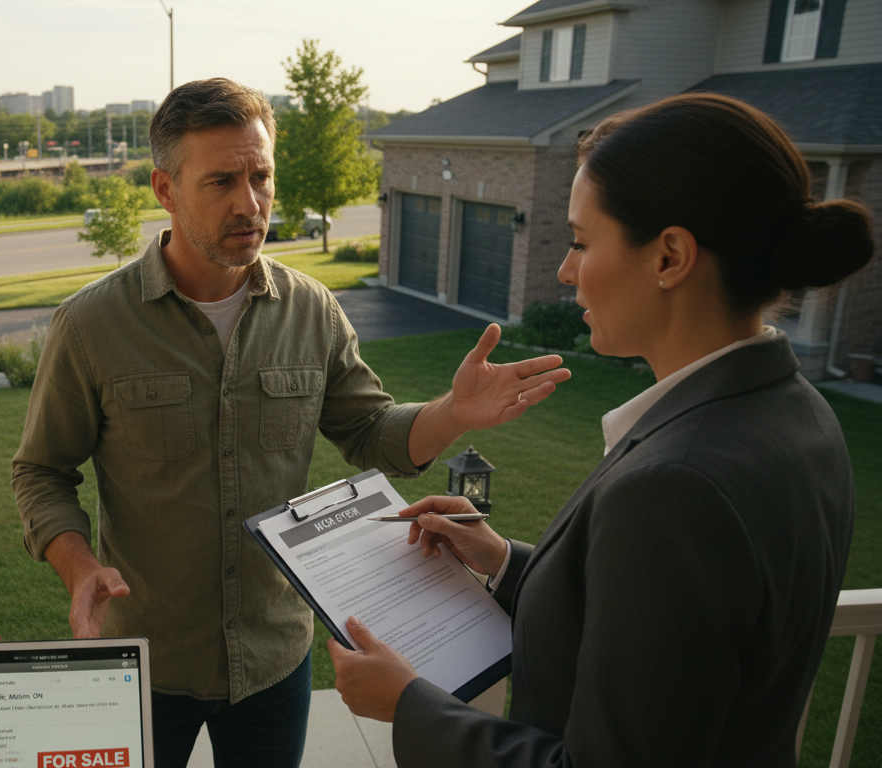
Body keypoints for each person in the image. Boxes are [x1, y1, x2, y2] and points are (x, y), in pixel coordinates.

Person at [10, 78, 571, 768]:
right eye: (221, 181)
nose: (250, 203)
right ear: (164, 188)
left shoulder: (312, 310)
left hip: (275, 661)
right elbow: (41, 470)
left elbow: (369, 432)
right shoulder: (92, 324)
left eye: (262, 176)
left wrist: (451, 413)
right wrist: (79, 567)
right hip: (148, 662)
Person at [328, 92, 875, 767]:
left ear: (670, 257)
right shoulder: (798, 413)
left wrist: (409, 702)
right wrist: (505, 562)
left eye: (582, 242)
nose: (564, 271)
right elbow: (674, 637)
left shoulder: (676, 487)